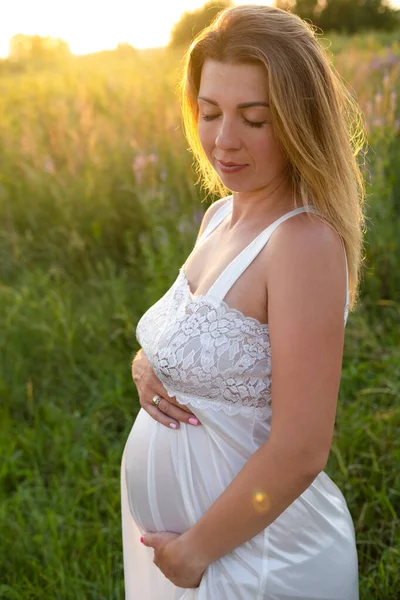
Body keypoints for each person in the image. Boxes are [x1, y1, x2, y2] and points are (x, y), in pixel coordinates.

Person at [120, 4, 366, 599]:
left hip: (255, 559)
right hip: (187, 548)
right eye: (209, 113)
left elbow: (302, 447)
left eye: (254, 119)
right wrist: (147, 363)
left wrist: (196, 551)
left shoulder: (302, 243)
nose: (223, 141)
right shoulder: (220, 215)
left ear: (298, 121)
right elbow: (200, 334)